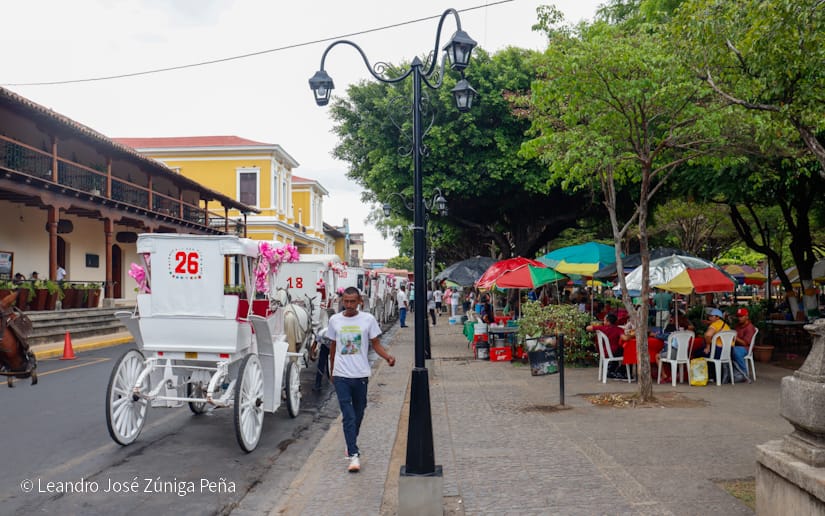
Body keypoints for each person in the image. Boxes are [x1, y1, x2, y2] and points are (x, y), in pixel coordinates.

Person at [327, 287, 396, 473]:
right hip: (341, 375)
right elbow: (333, 346)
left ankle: (350, 442)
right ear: (342, 301)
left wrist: (387, 357)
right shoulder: (335, 320)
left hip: (361, 375)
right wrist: (332, 369)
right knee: (348, 415)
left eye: (352, 301)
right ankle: (354, 454)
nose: (348, 305)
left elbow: (376, 345)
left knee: (359, 412)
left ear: (360, 302)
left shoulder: (368, 320)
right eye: (346, 301)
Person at [586, 312, 626, 378]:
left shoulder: (602, 328)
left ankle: (612, 370)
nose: (603, 322)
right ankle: (622, 372)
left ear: (608, 322)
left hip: (604, 352)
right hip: (613, 352)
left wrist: (598, 326)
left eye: (604, 320)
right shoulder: (618, 329)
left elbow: (588, 328)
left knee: (619, 350)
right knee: (626, 351)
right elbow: (624, 338)